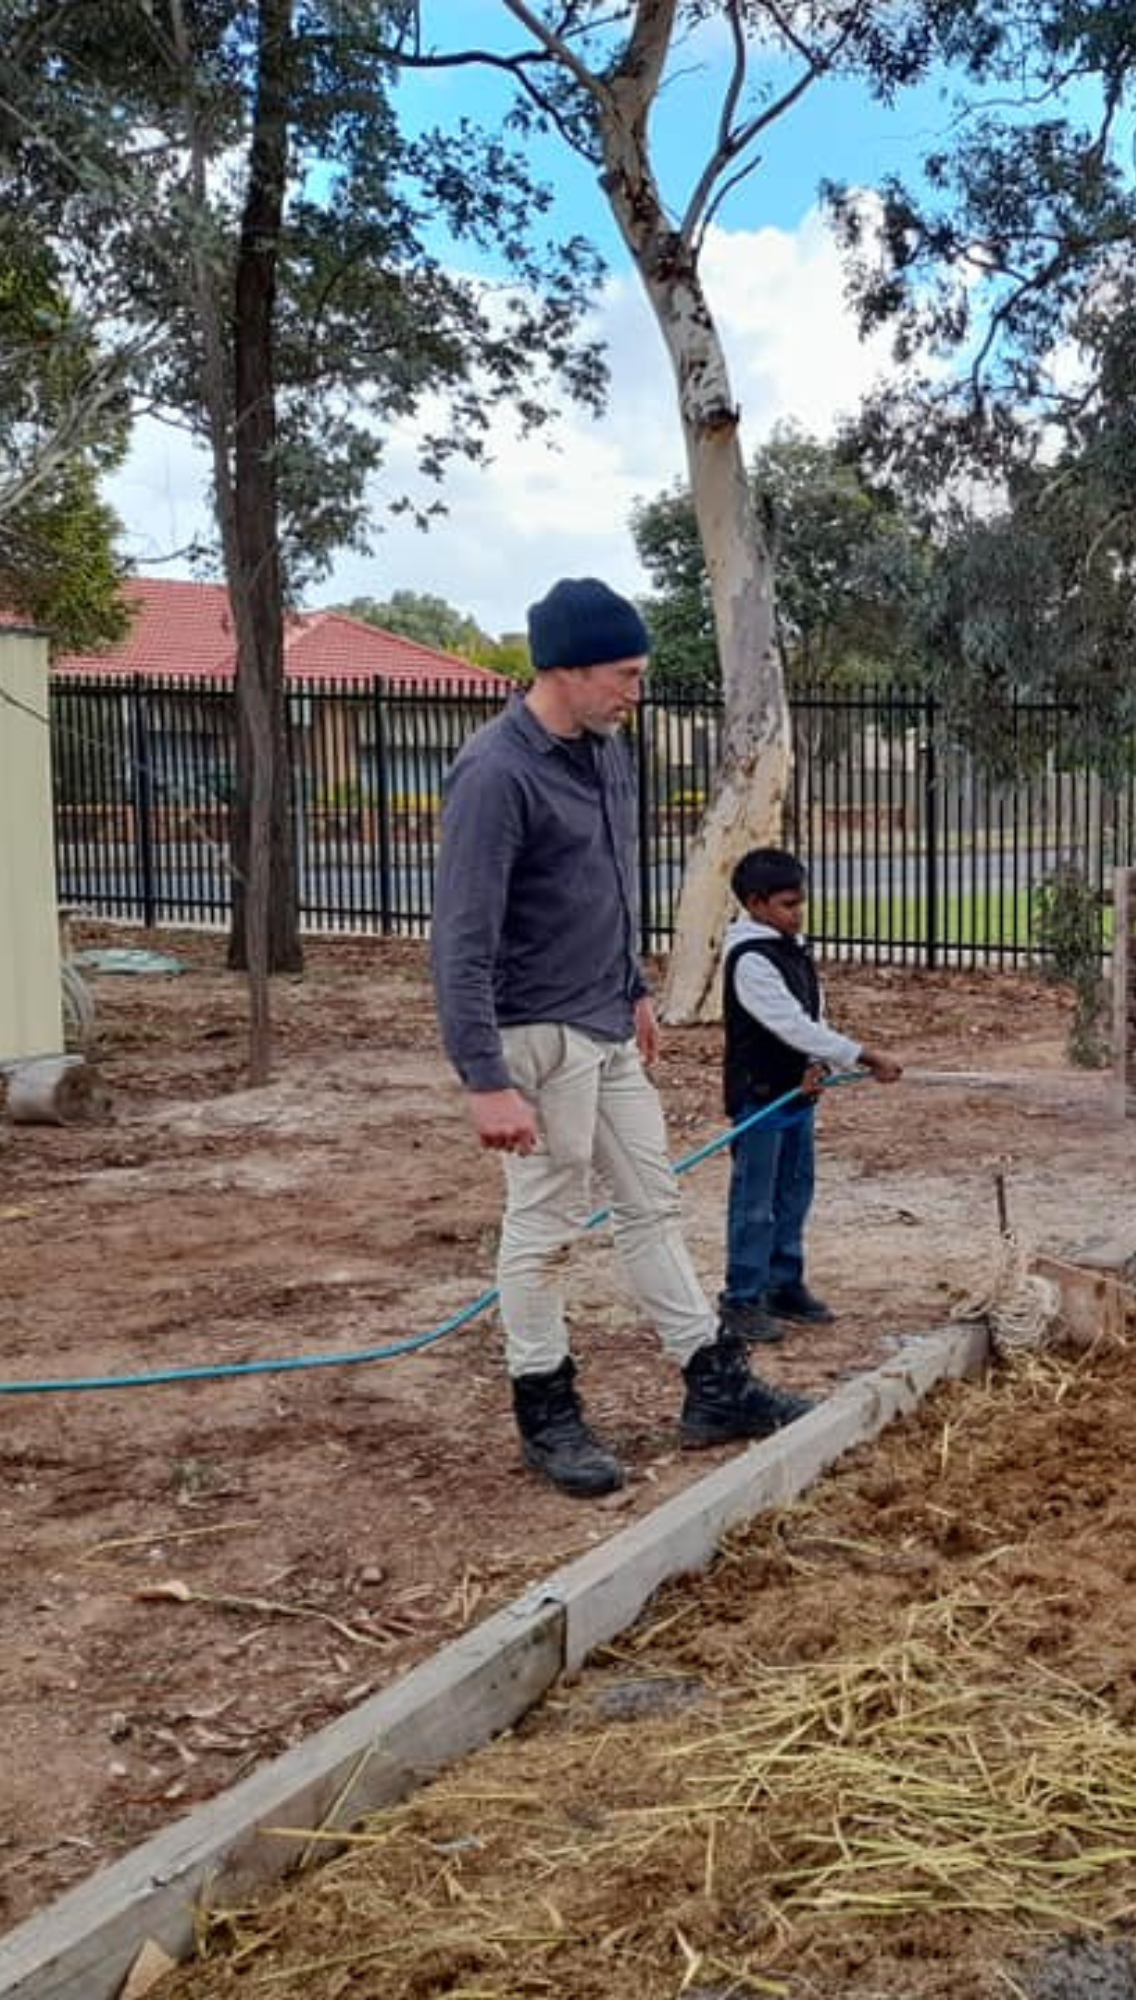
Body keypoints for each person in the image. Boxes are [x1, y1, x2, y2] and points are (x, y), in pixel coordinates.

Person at [430, 578, 812, 1498]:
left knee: (652, 1204)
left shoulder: (602, 755)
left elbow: (605, 889)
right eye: (624, 674)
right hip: (536, 1039)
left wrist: (633, 987)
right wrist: (485, 1078)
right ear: (563, 668)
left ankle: (711, 1385)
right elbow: (461, 939)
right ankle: (545, 1407)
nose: (635, 691)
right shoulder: (496, 773)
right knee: (545, 1231)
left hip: (604, 1025)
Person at [718, 847, 903, 1343]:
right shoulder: (749, 959)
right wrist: (865, 1056)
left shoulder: (792, 947)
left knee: (794, 1194)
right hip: (761, 1100)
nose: (797, 912)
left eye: (801, 902)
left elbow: (813, 1019)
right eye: (786, 903)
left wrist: (819, 1064)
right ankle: (742, 1298)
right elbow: (789, 1024)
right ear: (755, 904)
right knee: (755, 1204)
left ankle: (783, 1284)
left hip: (798, 1098)